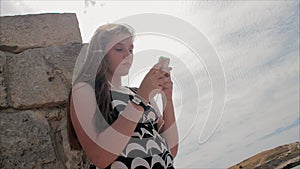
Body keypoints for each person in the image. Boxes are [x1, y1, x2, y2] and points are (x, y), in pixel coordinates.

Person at [67, 23, 179, 169]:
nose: (128, 55)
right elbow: (100, 157)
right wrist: (141, 99)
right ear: (101, 53)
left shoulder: (138, 92)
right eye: (119, 49)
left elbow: (171, 150)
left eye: (131, 49)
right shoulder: (84, 90)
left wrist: (167, 98)